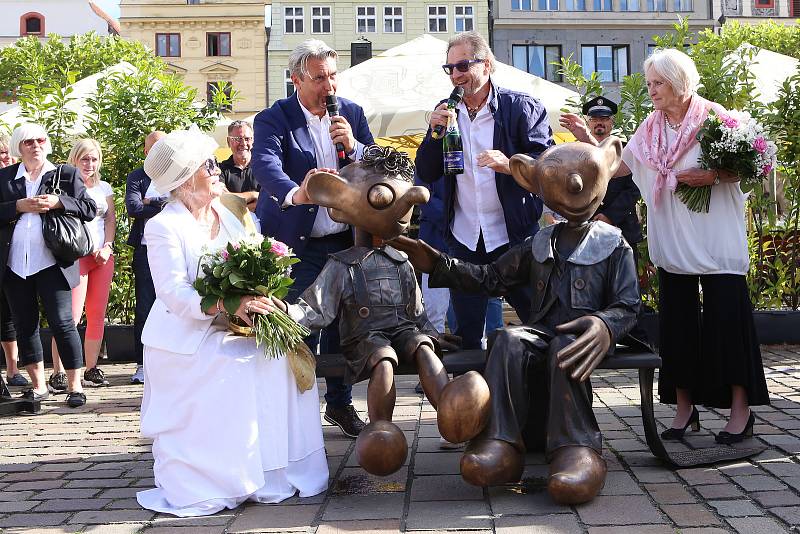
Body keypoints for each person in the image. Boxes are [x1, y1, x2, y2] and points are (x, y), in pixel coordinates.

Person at [560, 48, 770, 443]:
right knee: (677, 325)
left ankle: (741, 412)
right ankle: (684, 409)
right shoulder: (651, 127)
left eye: (658, 84)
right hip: (672, 241)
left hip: (715, 239)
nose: (652, 90)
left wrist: (713, 175)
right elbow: (619, 167)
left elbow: (753, 165)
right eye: (651, 83)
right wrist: (586, 144)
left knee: (728, 321)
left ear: (679, 83)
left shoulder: (714, 118)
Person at [136, 128, 328, 517]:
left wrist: (263, 296)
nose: (216, 168)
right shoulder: (163, 226)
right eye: (208, 165)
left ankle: (274, 474)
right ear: (187, 179)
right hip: (187, 337)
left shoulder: (228, 212)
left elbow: (257, 257)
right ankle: (225, 477)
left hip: (238, 325)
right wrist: (228, 303)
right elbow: (174, 294)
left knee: (282, 360)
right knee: (237, 368)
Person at [251, 39, 374, 438]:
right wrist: (295, 193)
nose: (329, 86)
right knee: (298, 325)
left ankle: (339, 403)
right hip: (295, 243)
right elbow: (265, 165)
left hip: (343, 240)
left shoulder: (350, 113)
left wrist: (353, 145)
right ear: (297, 80)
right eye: (320, 78)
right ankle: (295, 406)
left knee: (343, 325)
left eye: (333, 76)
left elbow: (377, 164)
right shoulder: (275, 118)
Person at [415, 31, 554, 350]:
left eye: (462, 66)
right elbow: (426, 171)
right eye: (449, 68)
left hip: (514, 236)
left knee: (538, 318)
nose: (455, 75)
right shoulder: (446, 112)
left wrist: (509, 164)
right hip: (464, 237)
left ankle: (539, 391)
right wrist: (434, 134)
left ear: (487, 65)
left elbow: (547, 165)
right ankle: (471, 397)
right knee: (467, 331)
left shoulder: (520, 107)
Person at [0, 123, 97, 408]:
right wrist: (17, 206)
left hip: (53, 262)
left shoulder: (64, 175)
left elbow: (89, 209)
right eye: (28, 142)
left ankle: (75, 385)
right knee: (25, 325)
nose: (35, 145)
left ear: (47, 144)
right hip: (15, 264)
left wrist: (58, 202)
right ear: (19, 147)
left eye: (40, 140)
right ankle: (38, 386)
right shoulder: (6, 177)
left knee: (63, 322)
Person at [50, 139, 115, 388]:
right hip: (75, 256)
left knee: (97, 315)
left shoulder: (104, 187)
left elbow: (110, 219)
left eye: (94, 158)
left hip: (101, 256)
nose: (89, 164)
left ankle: (91, 368)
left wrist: (107, 247)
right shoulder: (63, 186)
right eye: (84, 158)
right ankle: (59, 371)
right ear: (74, 159)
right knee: (70, 317)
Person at [559, 96, 643, 264]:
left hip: (622, 228)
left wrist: (610, 216)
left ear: (612, 122)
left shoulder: (625, 151)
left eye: (604, 119)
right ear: (588, 123)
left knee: (625, 285)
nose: (600, 123)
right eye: (595, 119)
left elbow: (635, 188)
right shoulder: (575, 152)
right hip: (586, 229)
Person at [125, 131, 166, 385]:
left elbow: (183, 204)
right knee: (145, 308)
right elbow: (133, 208)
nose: (158, 152)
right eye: (154, 149)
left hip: (175, 250)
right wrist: (163, 203)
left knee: (176, 307)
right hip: (145, 251)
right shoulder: (137, 177)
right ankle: (142, 364)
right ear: (145, 152)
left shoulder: (177, 174)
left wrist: (153, 201)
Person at [0, 134, 27, 387]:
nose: (4, 157)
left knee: (8, 315)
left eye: (6, 152)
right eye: (0, 153)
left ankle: (12, 369)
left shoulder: (16, 180)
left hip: (10, 256)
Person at [219, 120, 259, 209]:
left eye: (247, 139)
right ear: (228, 141)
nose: (243, 143)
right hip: (232, 222)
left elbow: (269, 199)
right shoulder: (220, 170)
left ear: (253, 140)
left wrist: (235, 202)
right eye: (238, 139)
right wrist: (253, 195)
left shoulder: (263, 167)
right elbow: (222, 198)